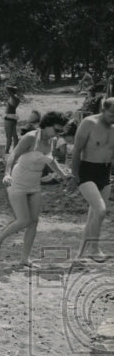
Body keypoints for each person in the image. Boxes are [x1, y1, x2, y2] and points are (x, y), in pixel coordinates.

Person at [0, 112, 69, 268]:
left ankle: (24, 259)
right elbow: (13, 155)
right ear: (47, 125)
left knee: (34, 221)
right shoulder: (30, 137)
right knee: (23, 220)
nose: (59, 133)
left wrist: (63, 175)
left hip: (35, 184)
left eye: (61, 131)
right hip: (18, 181)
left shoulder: (53, 141)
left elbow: (51, 161)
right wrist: (6, 174)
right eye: (57, 130)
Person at [69, 97, 114, 261]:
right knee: (100, 211)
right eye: (111, 115)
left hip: (105, 173)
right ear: (103, 110)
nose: (113, 119)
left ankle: (79, 256)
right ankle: (94, 249)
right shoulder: (89, 123)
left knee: (93, 217)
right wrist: (74, 175)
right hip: (87, 171)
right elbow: (76, 150)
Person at [3, 85, 21, 153]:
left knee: (8, 136)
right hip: (14, 116)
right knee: (14, 134)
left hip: (9, 117)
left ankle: (7, 150)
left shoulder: (13, 97)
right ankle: (15, 149)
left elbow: (7, 88)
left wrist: (6, 83)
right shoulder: (17, 98)